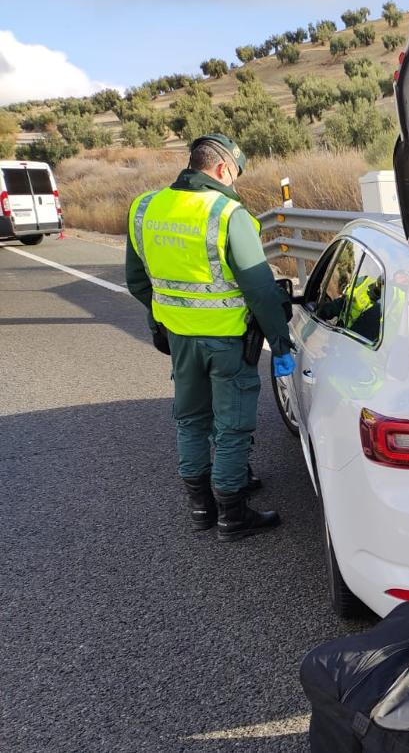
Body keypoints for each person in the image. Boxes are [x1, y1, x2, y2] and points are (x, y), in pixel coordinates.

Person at [125, 134, 296, 543]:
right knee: (232, 426)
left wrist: (163, 320)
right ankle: (232, 515)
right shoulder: (226, 213)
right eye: (234, 176)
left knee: (191, 420)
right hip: (228, 343)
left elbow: (136, 281)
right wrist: (282, 343)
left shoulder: (145, 208)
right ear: (222, 169)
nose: (234, 184)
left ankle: (201, 507)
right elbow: (259, 290)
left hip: (180, 340)